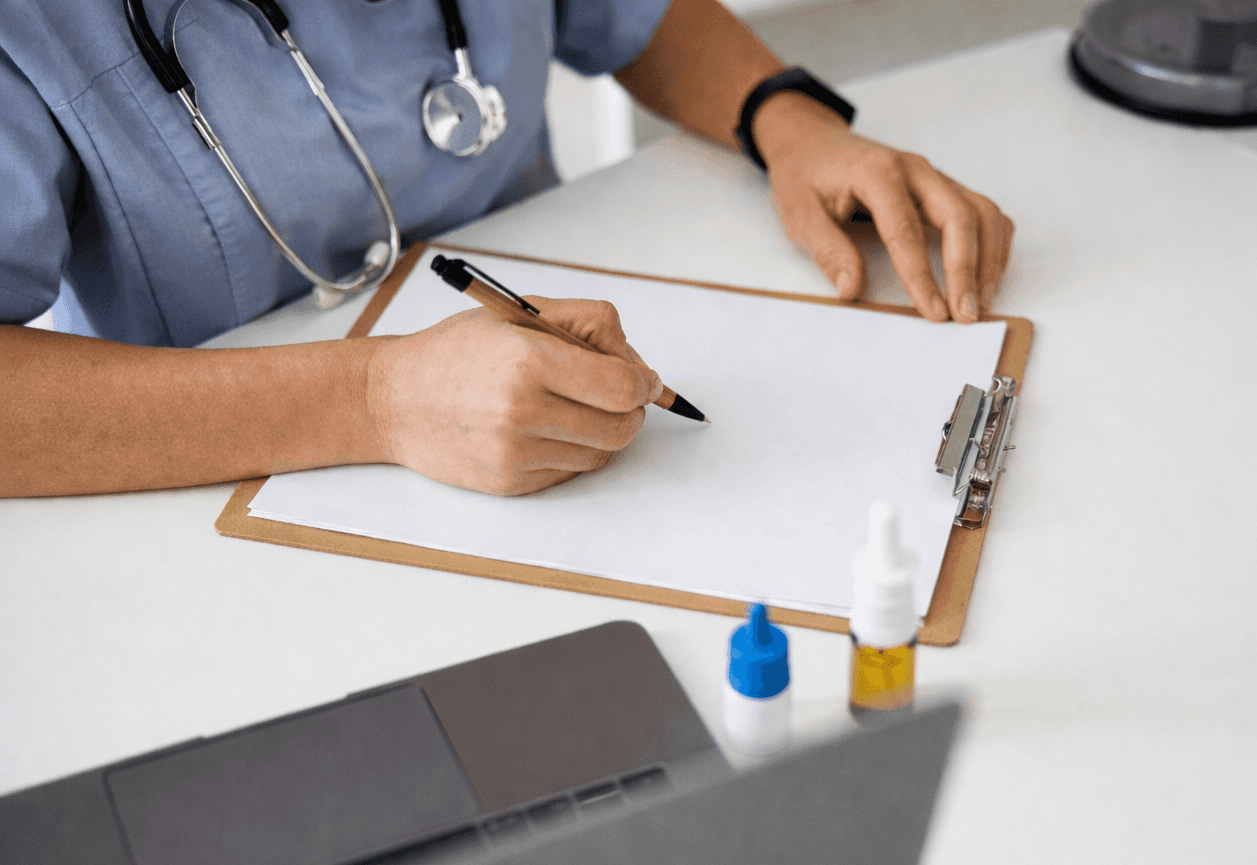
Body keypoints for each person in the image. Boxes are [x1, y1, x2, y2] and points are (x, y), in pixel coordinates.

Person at [0, 0, 1013, 498]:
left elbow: (630, 15)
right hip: (228, 474)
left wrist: (786, 121)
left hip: (558, 411)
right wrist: (380, 401)